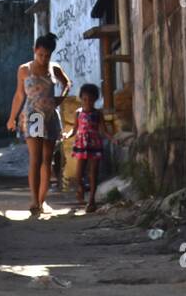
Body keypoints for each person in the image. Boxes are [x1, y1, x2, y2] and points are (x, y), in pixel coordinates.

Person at [7, 34, 71, 216]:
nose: (43, 59)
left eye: (47, 55)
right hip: (33, 116)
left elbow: (67, 83)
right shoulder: (24, 70)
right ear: (35, 50)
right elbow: (19, 95)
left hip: (50, 116)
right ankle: (34, 200)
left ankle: (42, 201)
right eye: (41, 54)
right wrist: (12, 117)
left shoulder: (54, 68)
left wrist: (62, 97)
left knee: (47, 160)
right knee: (35, 159)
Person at [67, 83, 112, 214]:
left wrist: (113, 139)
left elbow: (103, 131)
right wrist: (67, 135)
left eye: (91, 100)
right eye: (85, 99)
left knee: (93, 174)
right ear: (81, 99)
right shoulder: (78, 113)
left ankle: (91, 201)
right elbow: (75, 130)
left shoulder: (98, 113)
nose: (88, 102)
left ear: (95, 100)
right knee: (79, 174)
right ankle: (80, 188)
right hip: (81, 145)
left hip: (95, 145)